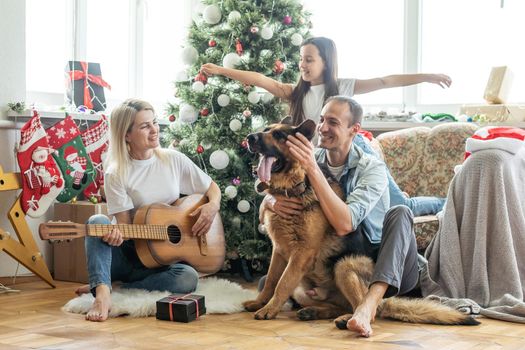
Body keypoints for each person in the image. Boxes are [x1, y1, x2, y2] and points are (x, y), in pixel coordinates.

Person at [201, 36, 448, 215]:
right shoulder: (295, 93)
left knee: (402, 206)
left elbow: (384, 81)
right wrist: (221, 70)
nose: (302, 65)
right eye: (301, 59)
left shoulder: (342, 87)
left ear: (326, 63)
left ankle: (444, 204)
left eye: (309, 59)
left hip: (352, 153)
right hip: (318, 160)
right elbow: (261, 80)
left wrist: (428, 77)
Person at [262, 96, 420, 337]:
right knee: (273, 285)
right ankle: (332, 307)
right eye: (322, 120)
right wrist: (271, 200)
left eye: (333, 122)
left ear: (354, 129)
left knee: (401, 212)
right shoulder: (311, 158)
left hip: (382, 266)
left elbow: (345, 225)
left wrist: (312, 169)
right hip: (338, 265)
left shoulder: (371, 168)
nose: (323, 128)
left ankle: (366, 307)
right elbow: (268, 187)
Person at [77, 98, 221, 322]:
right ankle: (103, 294)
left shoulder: (173, 160)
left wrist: (212, 206)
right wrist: (117, 235)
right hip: (126, 253)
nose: (155, 130)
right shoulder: (117, 172)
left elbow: (212, 188)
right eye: (145, 126)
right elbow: (123, 226)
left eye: (154, 122)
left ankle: (116, 285)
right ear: (126, 135)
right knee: (96, 221)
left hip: (159, 260)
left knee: (187, 279)